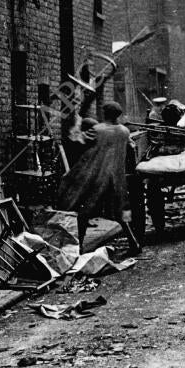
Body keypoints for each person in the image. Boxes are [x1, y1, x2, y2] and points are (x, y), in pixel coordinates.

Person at [57, 102, 142, 256]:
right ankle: (134, 243)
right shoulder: (124, 131)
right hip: (116, 178)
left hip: (98, 177)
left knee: (84, 213)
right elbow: (131, 147)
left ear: (106, 114)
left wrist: (77, 123)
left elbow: (76, 140)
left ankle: (80, 248)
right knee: (120, 213)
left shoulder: (98, 130)